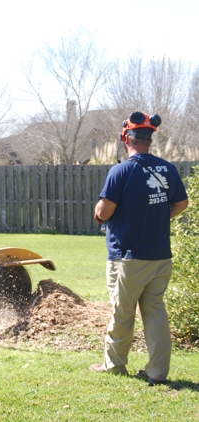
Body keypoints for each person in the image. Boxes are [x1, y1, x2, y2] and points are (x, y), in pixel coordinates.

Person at [89, 111, 188, 385]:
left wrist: (98, 212)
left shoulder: (121, 170)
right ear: (150, 139)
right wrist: (157, 216)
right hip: (160, 256)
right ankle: (157, 372)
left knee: (122, 312)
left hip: (128, 258)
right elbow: (181, 204)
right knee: (155, 311)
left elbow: (105, 211)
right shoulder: (167, 168)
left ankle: (114, 366)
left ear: (126, 138)